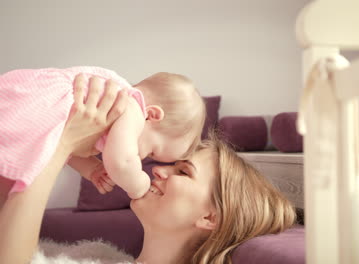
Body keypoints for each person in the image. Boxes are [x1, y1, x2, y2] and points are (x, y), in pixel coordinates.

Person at [0, 75, 296, 264]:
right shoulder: (99, 255)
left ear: (210, 216)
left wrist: (61, 143)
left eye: (183, 172)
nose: (156, 170)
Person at [0, 66, 206, 200]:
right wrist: (139, 185)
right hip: (34, 107)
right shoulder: (132, 107)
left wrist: (91, 170)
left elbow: (62, 142)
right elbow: (122, 162)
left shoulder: (106, 112)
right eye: (152, 151)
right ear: (151, 115)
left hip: (31, 109)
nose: (143, 159)